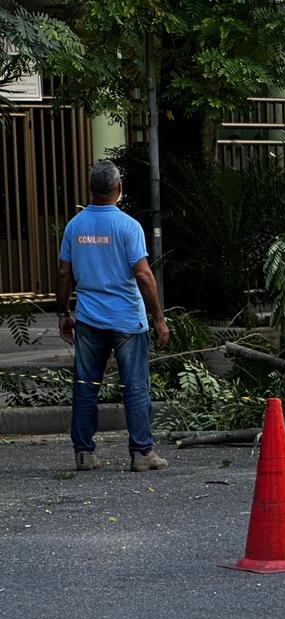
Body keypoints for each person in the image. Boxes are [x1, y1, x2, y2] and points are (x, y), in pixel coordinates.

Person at [56, 159, 169, 472]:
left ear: (91, 190)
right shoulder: (128, 227)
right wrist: (158, 317)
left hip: (89, 320)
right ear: (119, 189)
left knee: (85, 385)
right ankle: (142, 453)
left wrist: (64, 313)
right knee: (134, 387)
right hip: (127, 321)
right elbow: (144, 275)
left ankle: (84, 454)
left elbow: (65, 274)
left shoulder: (74, 226)